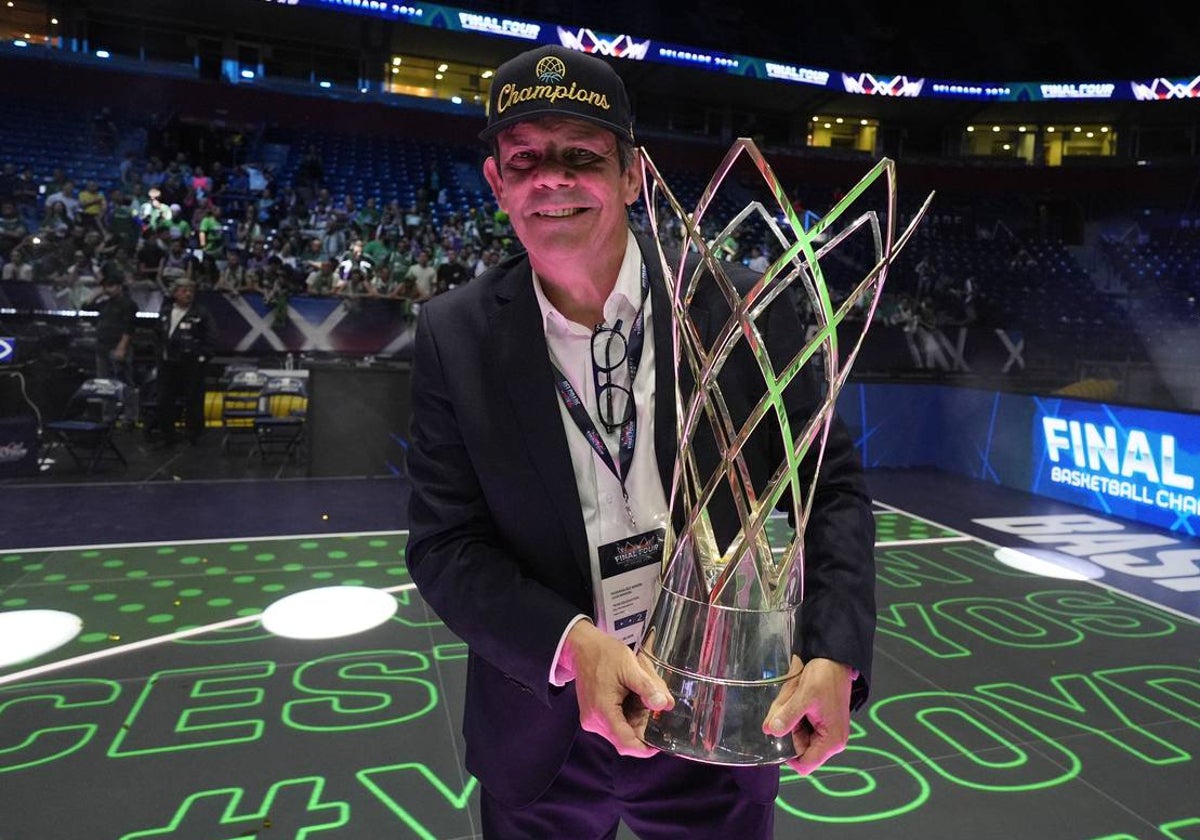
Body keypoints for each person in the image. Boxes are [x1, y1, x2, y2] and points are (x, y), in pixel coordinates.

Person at [403, 45, 876, 839]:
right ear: (497, 184)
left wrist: (836, 652)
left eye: (580, 155)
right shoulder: (454, 334)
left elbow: (831, 490)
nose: (550, 178)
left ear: (631, 176)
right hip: (545, 727)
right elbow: (446, 544)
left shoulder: (742, 307)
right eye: (524, 160)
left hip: (723, 718)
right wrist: (569, 645)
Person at [154, 278, 216, 447]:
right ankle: (167, 435)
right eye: (183, 290)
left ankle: (193, 435)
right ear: (175, 293)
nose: (188, 294)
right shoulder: (166, 312)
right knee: (165, 399)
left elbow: (210, 338)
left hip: (191, 364)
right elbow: (158, 335)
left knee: (193, 399)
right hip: (168, 363)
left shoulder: (200, 313)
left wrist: (202, 357)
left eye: (190, 291)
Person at [84, 262, 139, 384]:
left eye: (110, 286)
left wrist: (122, 347)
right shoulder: (106, 303)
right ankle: (106, 404)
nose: (108, 289)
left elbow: (129, 327)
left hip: (117, 345)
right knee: (103, 382)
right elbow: (85, 308)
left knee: (121, 381)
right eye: (105, 286)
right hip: (102, 345)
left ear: (119, 286)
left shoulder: (128, 304)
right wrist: (98, 293)